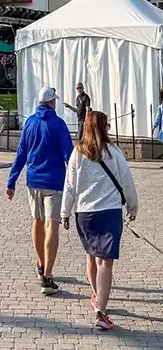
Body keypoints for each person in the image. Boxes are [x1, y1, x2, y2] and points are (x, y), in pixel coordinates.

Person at [61, 110, 138, 331]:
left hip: (85, 213)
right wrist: (133, 206)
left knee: (93, 258)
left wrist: (65, 212)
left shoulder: (78, 153)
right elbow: (127, 182)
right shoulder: (114, 152)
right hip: (109, 212)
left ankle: (97, 297)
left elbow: (70, 186)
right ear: (105, 128)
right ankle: (101, 312)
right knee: (106, 262)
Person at [6, 86, 74, 296]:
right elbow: (69, 156)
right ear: (52, 102)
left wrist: (12, 180)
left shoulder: (30, 122)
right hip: (54, 181)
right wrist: (78, 181)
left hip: (33, 180)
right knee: (52, 225)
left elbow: (21, 153)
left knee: (37, 221)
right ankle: (48, 276)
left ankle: (41, 264)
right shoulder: (59, 124)